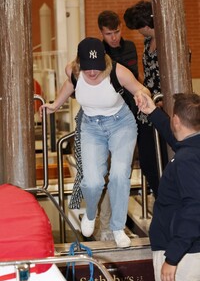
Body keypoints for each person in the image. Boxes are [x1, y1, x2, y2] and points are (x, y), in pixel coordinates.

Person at [40, 37, 150, 248]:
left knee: (119, 174)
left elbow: (140, 88)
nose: (92, 73)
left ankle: (117, 228)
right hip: (91, 127)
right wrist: (55, 104)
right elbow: (69, 86)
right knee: (92, 181)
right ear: (80, 63)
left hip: (122, 125)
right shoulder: (72, 71)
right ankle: (91, 214)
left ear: (104, 61)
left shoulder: (118, 72)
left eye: (97, 68)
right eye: (88, 68)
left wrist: (143, 95)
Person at [139, 92, 200, 281]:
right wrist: (153, 112)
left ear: (176, 120)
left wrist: (172, 257)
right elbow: (181, 143)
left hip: (183, 259)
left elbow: (195, 208)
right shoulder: (192, 150)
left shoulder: (186, 160)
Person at [96, 10, 139, 241]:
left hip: (127, 120)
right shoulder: (97, 52)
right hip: (104, 121)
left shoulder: (130, 47)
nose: (114, 37)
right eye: (108, 33)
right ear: (101, 32)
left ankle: (114, 225)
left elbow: (134, 82)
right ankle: (105, 227)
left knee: (121, 175)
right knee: (104, 176)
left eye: (117, 32)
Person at [124, 0, 168, 198]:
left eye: (139, 28)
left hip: (162, 105)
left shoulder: (168, 40)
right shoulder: (146, 42)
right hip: (147, 104)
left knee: (164, 156)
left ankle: (166, 196)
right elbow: (147, 73)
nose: (139, 32)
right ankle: (159, 194)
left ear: (146, 24)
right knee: (147, 159)